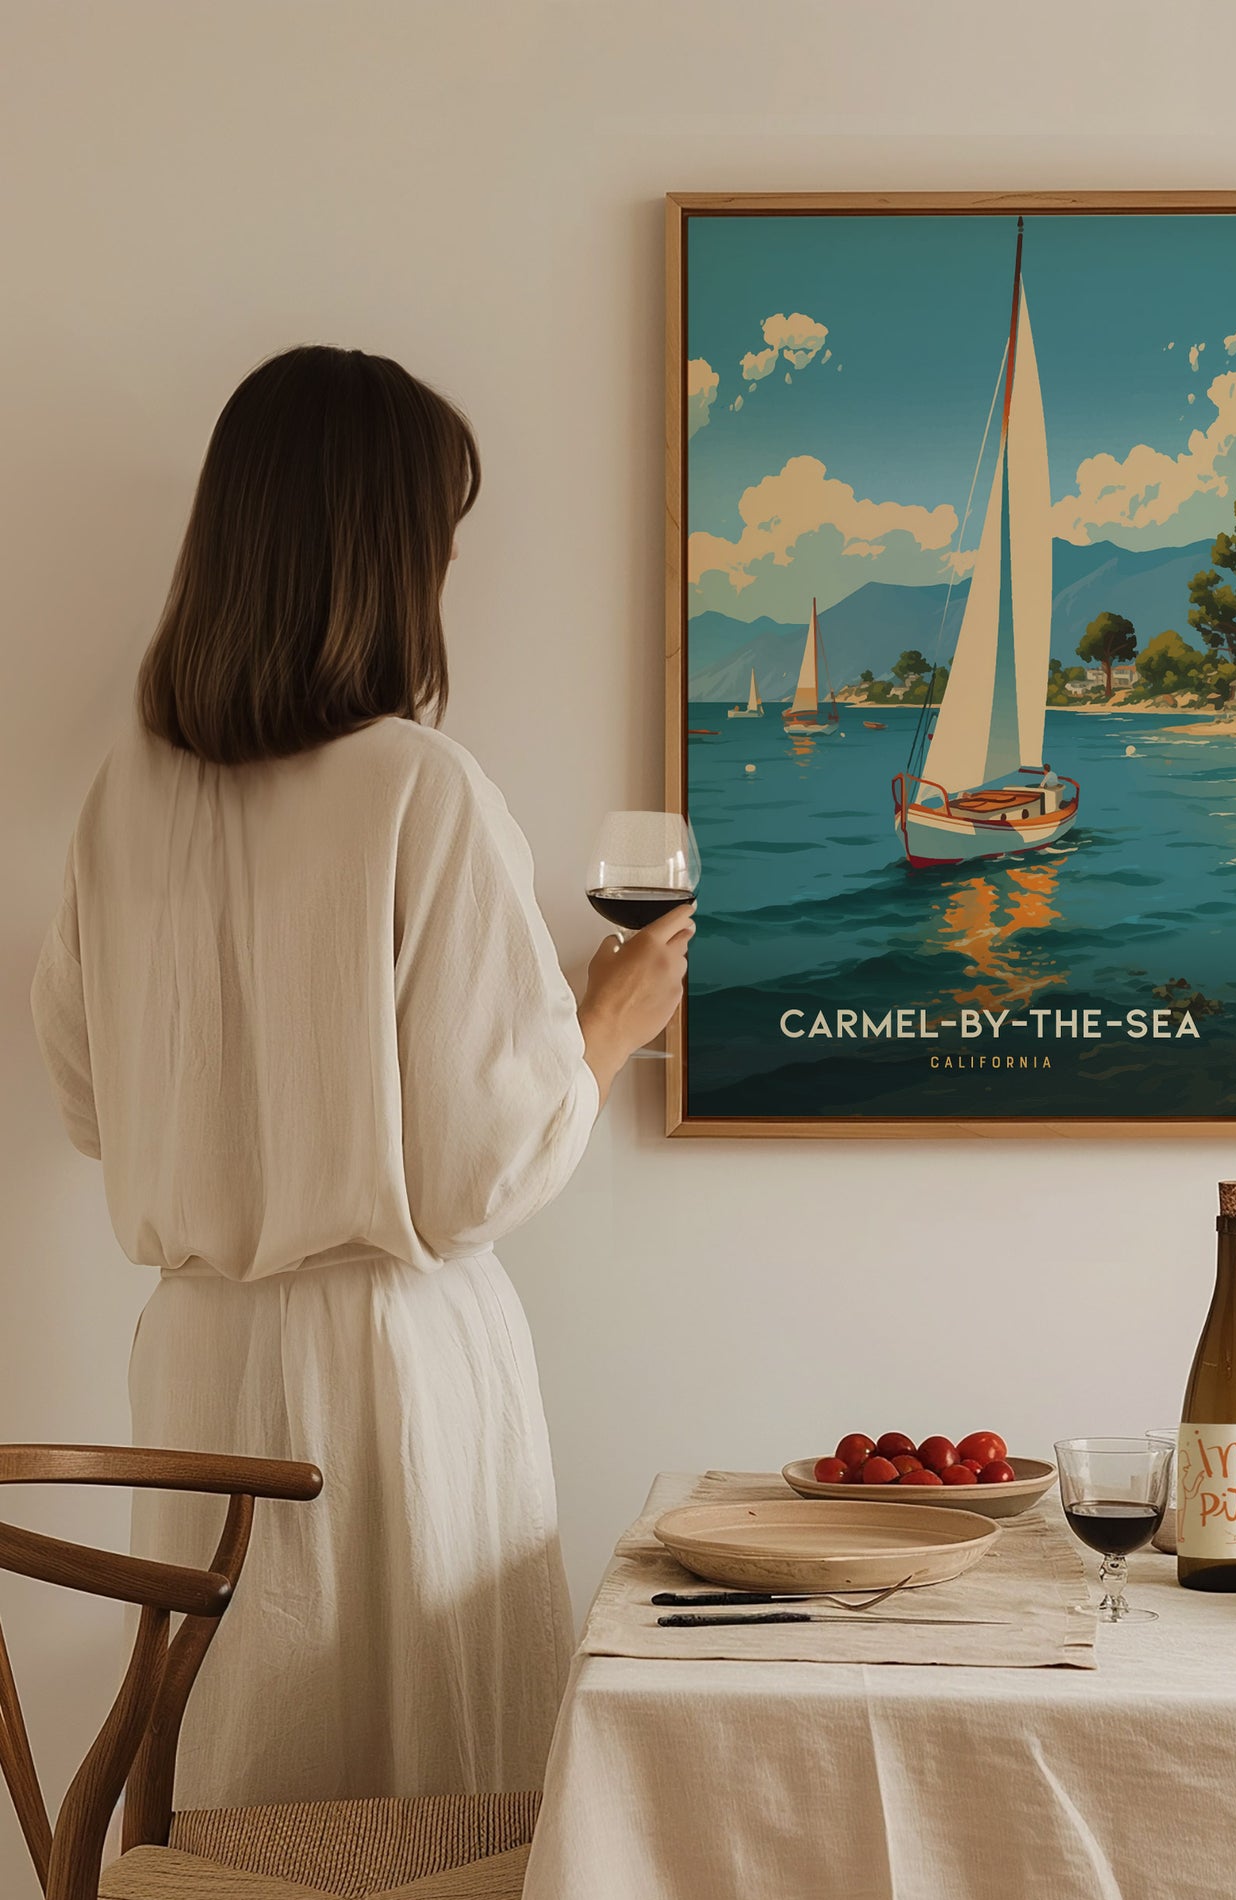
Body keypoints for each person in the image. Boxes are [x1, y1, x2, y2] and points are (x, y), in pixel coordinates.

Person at [29, 345, 687, 1806]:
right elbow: (473, 1175)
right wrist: (606, 1023)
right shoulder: (418, 786)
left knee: (237, 1786)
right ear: (387, 554)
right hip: (390, 1371)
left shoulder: (125, 797)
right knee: (427, 1809)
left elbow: (88, 1100)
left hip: (196, 1363)